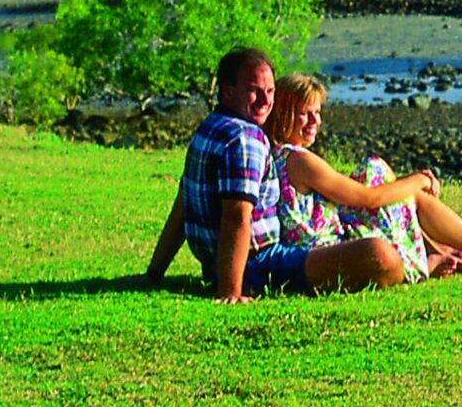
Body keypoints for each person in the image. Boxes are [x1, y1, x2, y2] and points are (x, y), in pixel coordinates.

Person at [143, 47, 403, 301]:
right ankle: (422, 265)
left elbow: (183, 203)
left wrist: (154, 273)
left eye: (270, 91)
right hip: (259, 266)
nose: (266, 101)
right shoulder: (246, 138)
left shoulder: (209, 128)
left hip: (217, 267)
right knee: (380, 255)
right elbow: (236, 215)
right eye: (254, 92)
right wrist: (231, 292)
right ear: (227, 91)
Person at [263, 74, 462, 277]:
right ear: (285, 115)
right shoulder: (298, 160)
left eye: (318, 113)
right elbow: (368, 199)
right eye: (305, 114)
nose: (316, 122)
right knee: (406, 192)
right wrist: (419, 179)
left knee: (375, 169)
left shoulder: (281, 156)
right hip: (330, 246)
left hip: (329, 235)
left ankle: (442, 251)